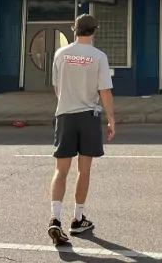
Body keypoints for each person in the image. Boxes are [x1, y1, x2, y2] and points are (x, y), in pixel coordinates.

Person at [47, 13, 115, 246]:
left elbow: (57, 88)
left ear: (74, 29)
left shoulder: (60, 53)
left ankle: (55, 218)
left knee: (61, 170)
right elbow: (104, 91)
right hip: (88, 117)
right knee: (83, 170)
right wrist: (111, 119)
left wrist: (66, 103)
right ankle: (77, 219)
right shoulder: (99, 56)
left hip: (65, 115)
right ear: (94, 31)